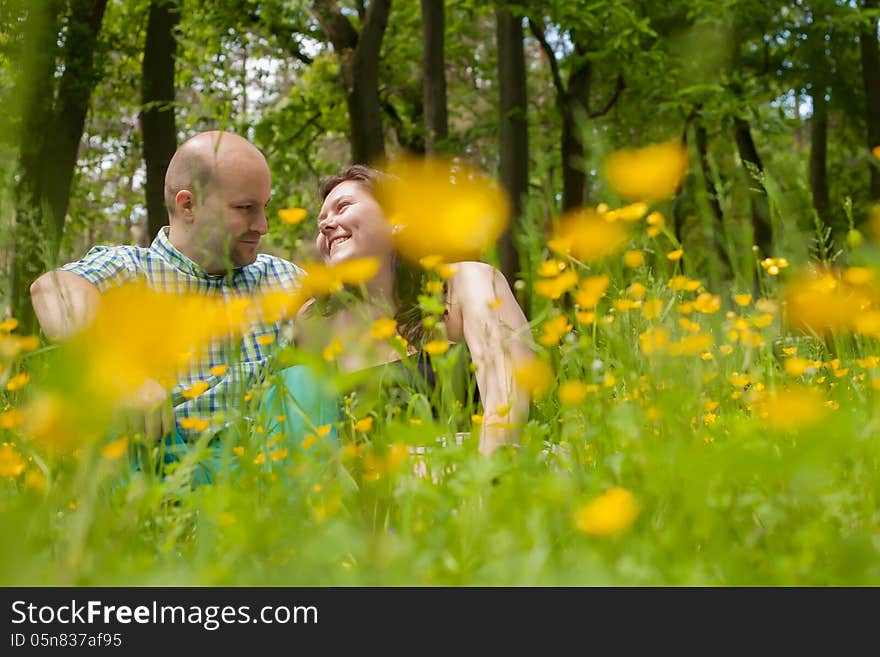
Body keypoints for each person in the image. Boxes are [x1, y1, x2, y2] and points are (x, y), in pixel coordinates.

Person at [29, 130, 305, 481]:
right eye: (245, 209)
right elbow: (52, 291)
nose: (262, 226)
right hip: (157, 464)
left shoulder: (281, 278)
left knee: (305, 378)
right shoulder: (129, 269)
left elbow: (361, 328)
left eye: (263, 207)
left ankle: (301, 523)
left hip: (261, 470)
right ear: (187, 204)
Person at [291, 164, 534, 456]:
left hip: (467, 477)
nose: (325, 225)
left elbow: (507, 403)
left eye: (342, 207)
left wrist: (478, 481)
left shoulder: (466, 283)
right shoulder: (315, 321)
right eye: (321, 220)